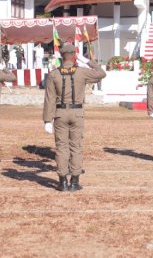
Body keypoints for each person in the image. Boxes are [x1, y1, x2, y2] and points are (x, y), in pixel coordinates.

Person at [43, 43, 106, 192]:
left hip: (59, 114)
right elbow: (101, 73)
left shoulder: (54, 74)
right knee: (76, 147)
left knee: (61, 148)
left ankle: (63, 181)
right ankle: (75, 181)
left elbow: (49, 99)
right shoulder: (82, 72)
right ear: (74, 55)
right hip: (77, 113)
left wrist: (47, 119)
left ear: (61, 55)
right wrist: (88, 61)